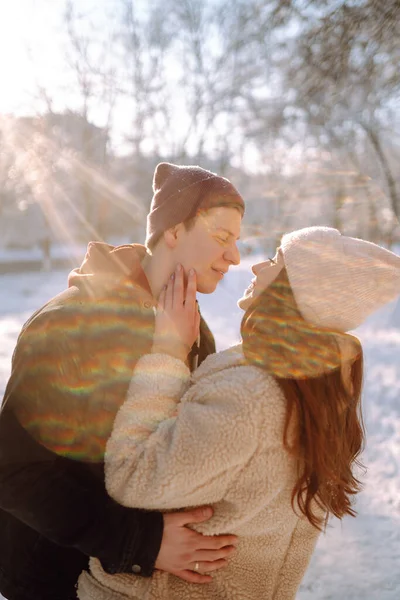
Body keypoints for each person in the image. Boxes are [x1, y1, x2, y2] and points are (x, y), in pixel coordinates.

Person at [77, 226, 400, 600]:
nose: (257, 267)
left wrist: (166, 354)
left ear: (295, 291)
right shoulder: (317, 391)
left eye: (276, 262)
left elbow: (132, 475)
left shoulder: (249, 398)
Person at [0, 162, 244, 600]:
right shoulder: (71, 323)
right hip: (57, 580)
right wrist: (143, 542)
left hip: (137, 583)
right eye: (222, 237)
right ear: (172, 231)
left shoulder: (191, 327)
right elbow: (14, 470)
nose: (235, 256)